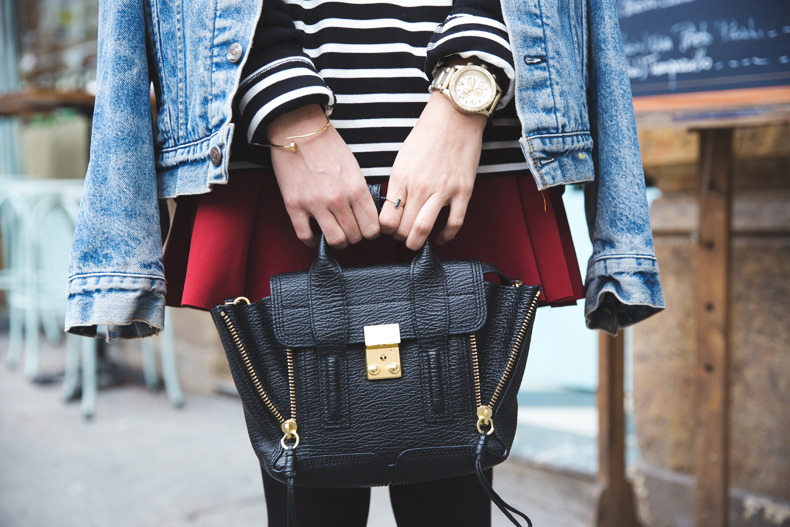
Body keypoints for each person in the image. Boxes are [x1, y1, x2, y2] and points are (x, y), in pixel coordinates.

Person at [66, 0, 665, 524]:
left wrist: (467, 89)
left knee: (455, 483)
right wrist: (285, 109)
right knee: (309, 489)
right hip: (270, 150)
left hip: (477, 148)